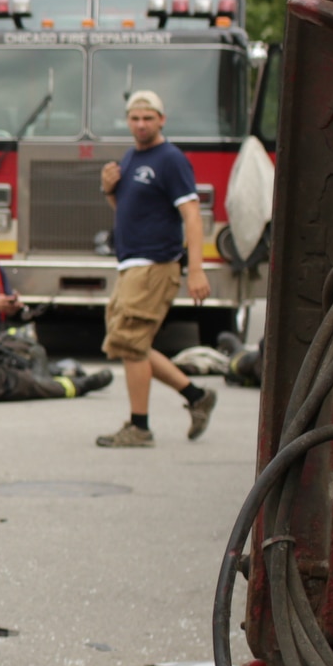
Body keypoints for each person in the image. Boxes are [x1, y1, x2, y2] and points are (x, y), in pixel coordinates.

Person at [93, 89, 218, 448]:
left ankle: (140, 427)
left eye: (148, 117)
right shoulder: (131, 157)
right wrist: (108, 190)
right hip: (131, 264)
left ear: (162, 120)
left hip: (155, 264)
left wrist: (196, 269)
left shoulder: (170, 159)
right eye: (135, 118)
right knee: (131, 342)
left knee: (131, 344)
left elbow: (192, 215)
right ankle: (196, 396)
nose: (141, 123)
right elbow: (129, 211)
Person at [0, 258, 112, 403]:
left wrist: (11, 305)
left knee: (21, 353)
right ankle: (76, 385)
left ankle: (59, 371)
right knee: (27, 383)